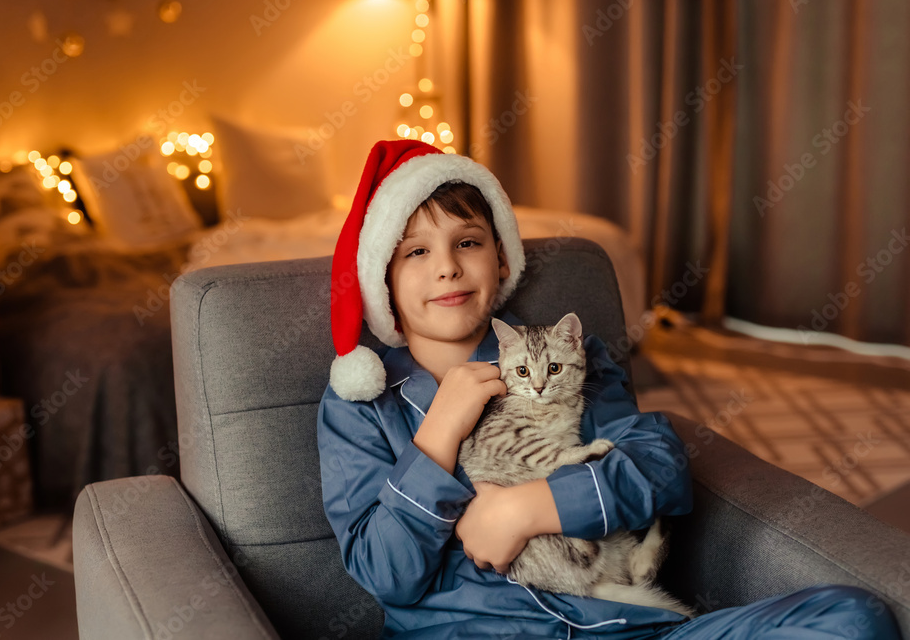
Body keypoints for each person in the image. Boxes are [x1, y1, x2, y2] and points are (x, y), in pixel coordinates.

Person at [317, 139, 901, 639]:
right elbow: (386, 573)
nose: (446, 266)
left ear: (500, 259)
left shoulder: (575, 359)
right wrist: (441, 431)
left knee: (853, 618)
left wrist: (525, 509)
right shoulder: (361, 407)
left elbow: (658, 467)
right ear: (384, 280)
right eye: (416, 251)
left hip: (625, 621)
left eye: (467, 242)